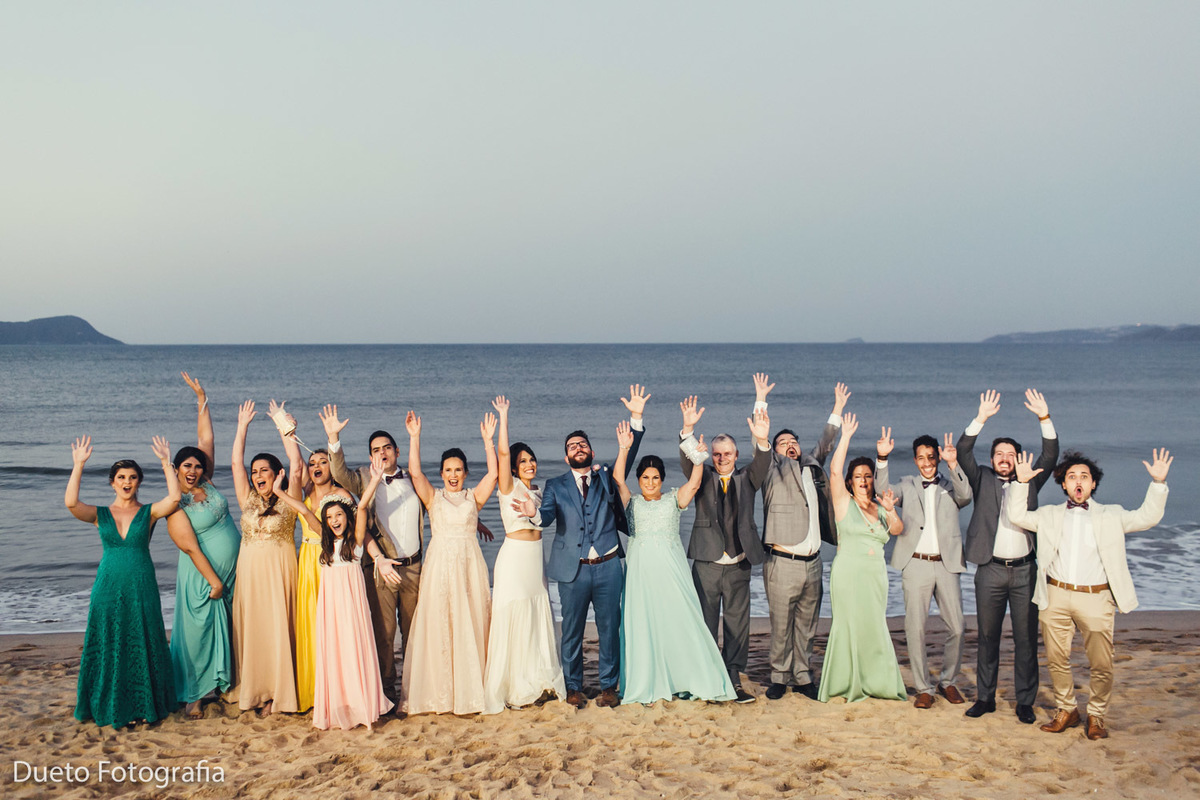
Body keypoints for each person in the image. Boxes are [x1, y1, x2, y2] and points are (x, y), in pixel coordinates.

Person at [1008, 449, 1171, 740]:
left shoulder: (1112, 514)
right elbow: (1017, 514)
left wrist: (1158, 484)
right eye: (1072, 477)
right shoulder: (1048, 515)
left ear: (1093, 484)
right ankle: (1066, 709)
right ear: (1064, 485)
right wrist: (1021, 484)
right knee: (1057, 659)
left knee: (1101, 662)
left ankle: (1096, 715)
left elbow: (1147, 517)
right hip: (1055, 595)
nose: (1078, 481)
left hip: (1096, 598)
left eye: (1084, 476)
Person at [517, 385, 649, 709]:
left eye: (583, 444)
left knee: (609, 628)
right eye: (572, 446)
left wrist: (636, 418)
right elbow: (547, 515)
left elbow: (627, 457)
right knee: (572, 632)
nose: (578, 448)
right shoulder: (555, 485)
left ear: (590, 450)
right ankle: (573, 686)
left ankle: (608, 686)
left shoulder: (605, 475)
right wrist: (534, 512)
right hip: (571, 569)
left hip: (607, 566)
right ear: (566, 456)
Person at [614, 419, 736, 704]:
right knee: (644, 625)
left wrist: (696, 454)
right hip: (641, 574)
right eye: (645, 478)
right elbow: (618, 479)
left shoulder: (673, 500)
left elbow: (695, 483)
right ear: (640, 480)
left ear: (662, 480)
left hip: (671, 572)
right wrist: (623, 449)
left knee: (680, 622)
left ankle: (686, 677)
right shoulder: (631, 502)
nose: (650, 483)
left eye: (655, 478)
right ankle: (649, 680)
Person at [269, 461, 397, 729]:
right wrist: (278, 492)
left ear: (346, 518)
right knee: (334, 651)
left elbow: (361, 507)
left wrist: (373, 481)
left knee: (354, 648)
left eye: (338, 515)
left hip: (352, 607)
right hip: (329, 608)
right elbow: (303, 509)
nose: (334, 521)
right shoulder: (326, 542)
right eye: (329, 517)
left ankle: (362, 703)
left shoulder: (356, 542)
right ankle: (339, 703)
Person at [957, 389, 1059, 724]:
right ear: (992, 458)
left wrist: (1044, 418)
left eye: (1010, 453)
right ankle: (985, 698)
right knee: (987, 637)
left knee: (1027, 639)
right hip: (990, 570)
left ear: (1017, 459)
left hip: (1025, 572)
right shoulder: (981, 478)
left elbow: (1050, 454)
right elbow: (962, 451)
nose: (1004, 458)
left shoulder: (1029, 480)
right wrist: (981, 418)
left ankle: (1025, 702)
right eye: (999, 453)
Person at [65, 435, 180, 728]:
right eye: (121, 477)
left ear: (139, 481)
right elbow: (71, 503)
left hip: (141, 584)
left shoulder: (149, 512)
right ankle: (108, 702)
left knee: (144, 638)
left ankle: (145, 705)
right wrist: (78, 465)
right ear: (112, 482)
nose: (127, 482)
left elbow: (175, 498)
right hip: (108, 584)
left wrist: (167, 464)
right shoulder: (100, 514)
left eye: (132, 477)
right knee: (109, 640)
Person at [323, 405, 424, 708]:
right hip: (381, 569)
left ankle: (414, 688)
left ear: (396, 451)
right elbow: (338, 472)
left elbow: (437, 503)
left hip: (414, 567)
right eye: (375, 450)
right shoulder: (364, 478)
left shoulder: (414, 479)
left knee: (414, 632)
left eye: (386, 448)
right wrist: (334, 439)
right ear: (370, 457)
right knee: (384, 634)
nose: (381, 454)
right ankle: (387, 692)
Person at [677, 382, 772, 703]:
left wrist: (761, 426)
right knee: (704, 622)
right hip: (706, 563)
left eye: (727, 454)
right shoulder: (701, 476)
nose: (721, 458)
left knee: (737, 625)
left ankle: (733, 677)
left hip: (738, 563)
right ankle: (703, 678)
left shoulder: (749, 478)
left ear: (736, 455)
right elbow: (689, 461)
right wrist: (687, 432)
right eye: (716, 454)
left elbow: (763, 458)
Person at [401, 410, 499, 715]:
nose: (453, 475)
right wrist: (414, 437)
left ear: (465, 473)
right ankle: (439, 693)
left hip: (469, 567)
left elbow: (494, 475)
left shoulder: (474, 498)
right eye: (448, 470)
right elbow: (415, 474)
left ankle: (470, 690)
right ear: (442, 473)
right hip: (440, 568)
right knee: (440, 624)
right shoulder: (434, 498)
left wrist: (488, 442)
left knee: (470, 622)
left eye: (458, 470)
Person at [758, 378, 849, 701]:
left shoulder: (811, 466)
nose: (789, 444)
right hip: (782, 562)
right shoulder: (771, 469)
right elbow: (761, 444)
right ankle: (779, 676)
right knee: (781, 624)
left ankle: (802, 675)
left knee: (807, 625)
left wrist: (837, 408)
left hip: (813, 563)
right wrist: (761, 402)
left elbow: (825, 442)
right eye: (783, 442)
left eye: (793, 441)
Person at [875, 430, 972, 708]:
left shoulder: (951, 485)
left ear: (937, 457)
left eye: (931, 457)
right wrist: (882, 457)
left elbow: (966, 496)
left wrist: (954, 464)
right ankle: (923, 687)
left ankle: (948, 681)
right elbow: (883, 493)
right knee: (915, 628)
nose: (927, 462)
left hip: (946, 564)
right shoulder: (908, 484)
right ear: (916, 460)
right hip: (915, 564)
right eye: (922, 458)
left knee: (958, 627)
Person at [482, 396, 566, 714]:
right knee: (516, 615)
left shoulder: (540, 492)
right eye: (523, 462)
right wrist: (504, 417)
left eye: (532, 460)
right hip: (515, 558)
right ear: (515, 468)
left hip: (535, 560)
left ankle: (541, 679)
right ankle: (516, 684)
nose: (529, 465)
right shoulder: (509, 486)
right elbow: (503, 454)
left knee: (536, 615)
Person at [817, 413, 907, 703]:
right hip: (848, 574)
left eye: (868, 476)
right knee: (848, 625)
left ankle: (877, 682)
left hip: (875, 576)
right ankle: (846, 683)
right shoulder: (844, 503)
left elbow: (897, 529)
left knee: (873, 626)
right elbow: (833, 472)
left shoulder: (881, 506)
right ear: (850, 481)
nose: (864, 481)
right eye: (858, 477)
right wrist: (845, 436)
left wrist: (891, 509)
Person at [166, 371, 240, 719]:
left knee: (230, 627)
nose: (193, 470)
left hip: (232, 569)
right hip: (203, 575)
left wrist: (201, 398)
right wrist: (213, 580)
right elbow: (191, 548)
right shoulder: (174, 504)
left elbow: (205, 436)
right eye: (186, 466)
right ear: (176, 470)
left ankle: (224, 685)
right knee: (197, 633)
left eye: (197, 465)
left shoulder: (207, 482)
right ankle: (193, 694)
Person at [225, 400, 305, 717]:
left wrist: (281, 423)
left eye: (264, 471)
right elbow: (234, 464)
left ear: (277, 474)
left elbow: (297, 463)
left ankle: (277, 693)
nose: (258, 475)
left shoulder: (289, 498)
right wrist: (242, 426)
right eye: (255, 471)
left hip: (279, 572)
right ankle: (255, 689)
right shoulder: (248, 499)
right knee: (254, 629)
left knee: (277, 628)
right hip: (250, 574)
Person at [295, 444, 354, 715]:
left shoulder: (341, 494)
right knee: (311, 624)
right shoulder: (305, 493)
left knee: (336, 626)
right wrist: (287, 431)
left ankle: (339, 690)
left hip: (333, 560)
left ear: (332, 467)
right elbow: (293, 464)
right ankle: (314, 691)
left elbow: (356, 528)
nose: (317, 466)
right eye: (313, 463)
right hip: (307, 559)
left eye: (323, 461)